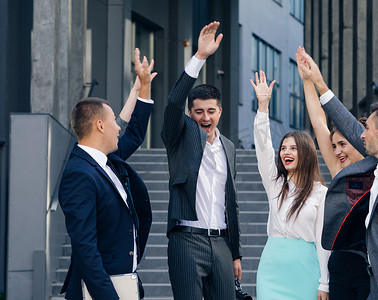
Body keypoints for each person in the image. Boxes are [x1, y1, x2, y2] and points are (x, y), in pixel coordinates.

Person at [298, 49, 378, 299]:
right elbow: (348, 125)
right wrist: (318, 82)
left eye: (367, 128)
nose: (361, 134)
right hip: (376, 285)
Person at [58, 48, 157, 300]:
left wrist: (144, 87)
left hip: (124, 283)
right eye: (114, 120)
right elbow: (85, 248)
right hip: (103, 292)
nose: (117, 127)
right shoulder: (79, 174)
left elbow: (134, 134)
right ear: (100, 125)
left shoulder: (107, 161)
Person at [161, 21, 242, 300]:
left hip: (221, 243)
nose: (205, 118)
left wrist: (235, 253)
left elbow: (230, 202)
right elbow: (173, 104)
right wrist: (199, 57)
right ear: (190, 113)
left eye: (211, 111)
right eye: (198, 112)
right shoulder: (179, 138)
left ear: (220, 111)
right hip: (186, 240)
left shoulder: (229, 147)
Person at [296, 46, 373, 299]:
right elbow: (318, 122)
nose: (338, 151)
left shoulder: (377, 168)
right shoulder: (339, 171)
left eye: (343, 144)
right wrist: (307, 80)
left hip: (368, 268)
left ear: (360, 141)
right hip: (339, 265)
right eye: (333, 146)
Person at [251, 70, 330, 300]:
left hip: (306, 268)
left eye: (293, 148)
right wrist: (263, 108)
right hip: (272, 267)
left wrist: (324, 282)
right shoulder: (275, 184)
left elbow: (323, 242)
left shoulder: (320, 193)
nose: (286, 152)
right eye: (284, 147)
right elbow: (264, 148)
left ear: (305, 153)